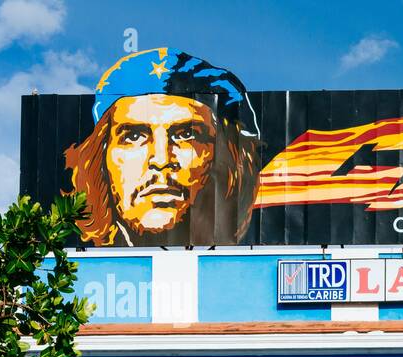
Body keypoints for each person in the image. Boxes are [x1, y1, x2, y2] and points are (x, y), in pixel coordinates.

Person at [64, 48, 260, 246]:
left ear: (231, 159)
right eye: (133, 136)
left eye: (186, 135)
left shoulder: (247, 271)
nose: (161, 160)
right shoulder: (64, 270)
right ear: (100, 157)